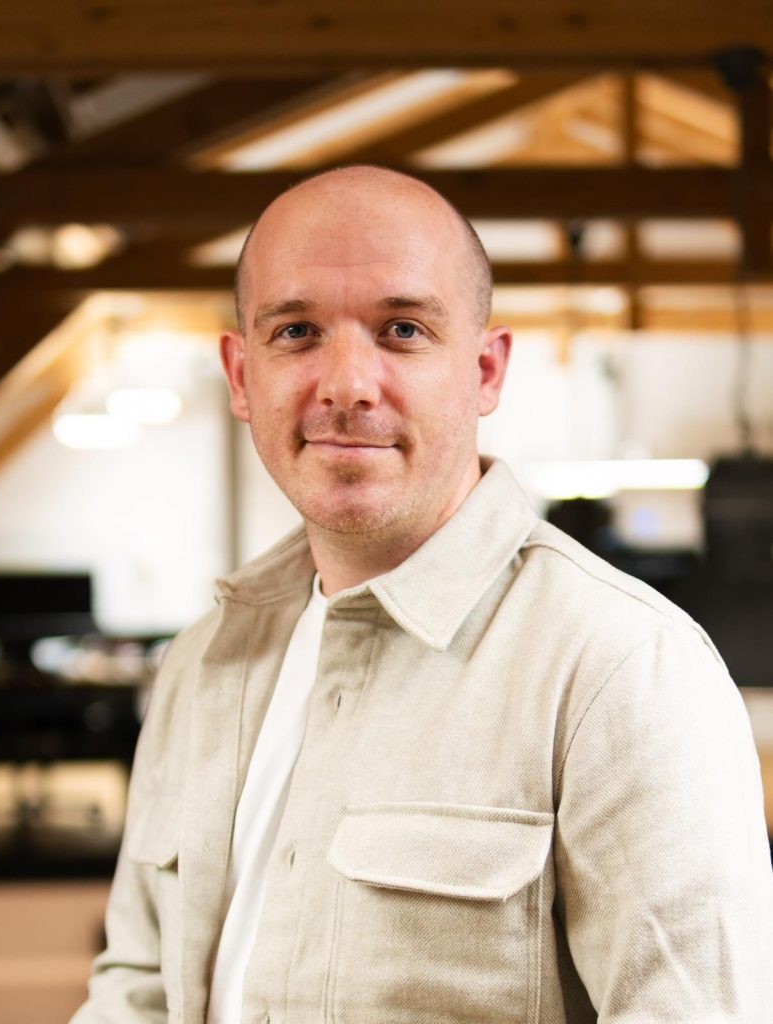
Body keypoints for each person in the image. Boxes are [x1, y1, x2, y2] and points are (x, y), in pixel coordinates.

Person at [72, 165, 773, 1024]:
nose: (346, 385)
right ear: (241, 375)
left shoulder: (620, 669)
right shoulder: (200, 664)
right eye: (296, 331)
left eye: (401, 329)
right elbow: (135, 988)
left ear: (484, 371)